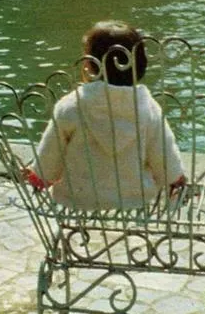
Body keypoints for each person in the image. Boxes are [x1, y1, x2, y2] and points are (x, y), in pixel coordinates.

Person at [25, 21, 186, 211]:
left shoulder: (72, 105)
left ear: (90, 64)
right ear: (140, 63)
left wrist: (40, 175)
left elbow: (51, 153)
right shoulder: (148, 109)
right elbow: (164, 158)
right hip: (135, 198)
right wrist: (176, 178)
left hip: (77, 197)